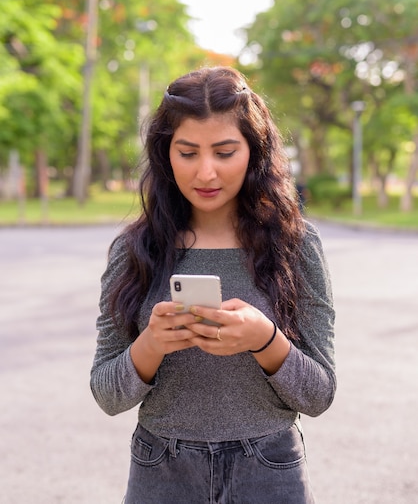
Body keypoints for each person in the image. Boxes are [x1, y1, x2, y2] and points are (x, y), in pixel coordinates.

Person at [90, 66, 336, 504]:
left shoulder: (296, 245)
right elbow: (107, 395)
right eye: (187, 153)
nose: (206, 173)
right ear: (166, 154)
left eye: (224, 152)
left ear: (254, 151)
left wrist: (266, 340)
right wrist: (151, 344)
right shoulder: (135, 249)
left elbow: (319, 394)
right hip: (160, 469)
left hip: (269, 467)